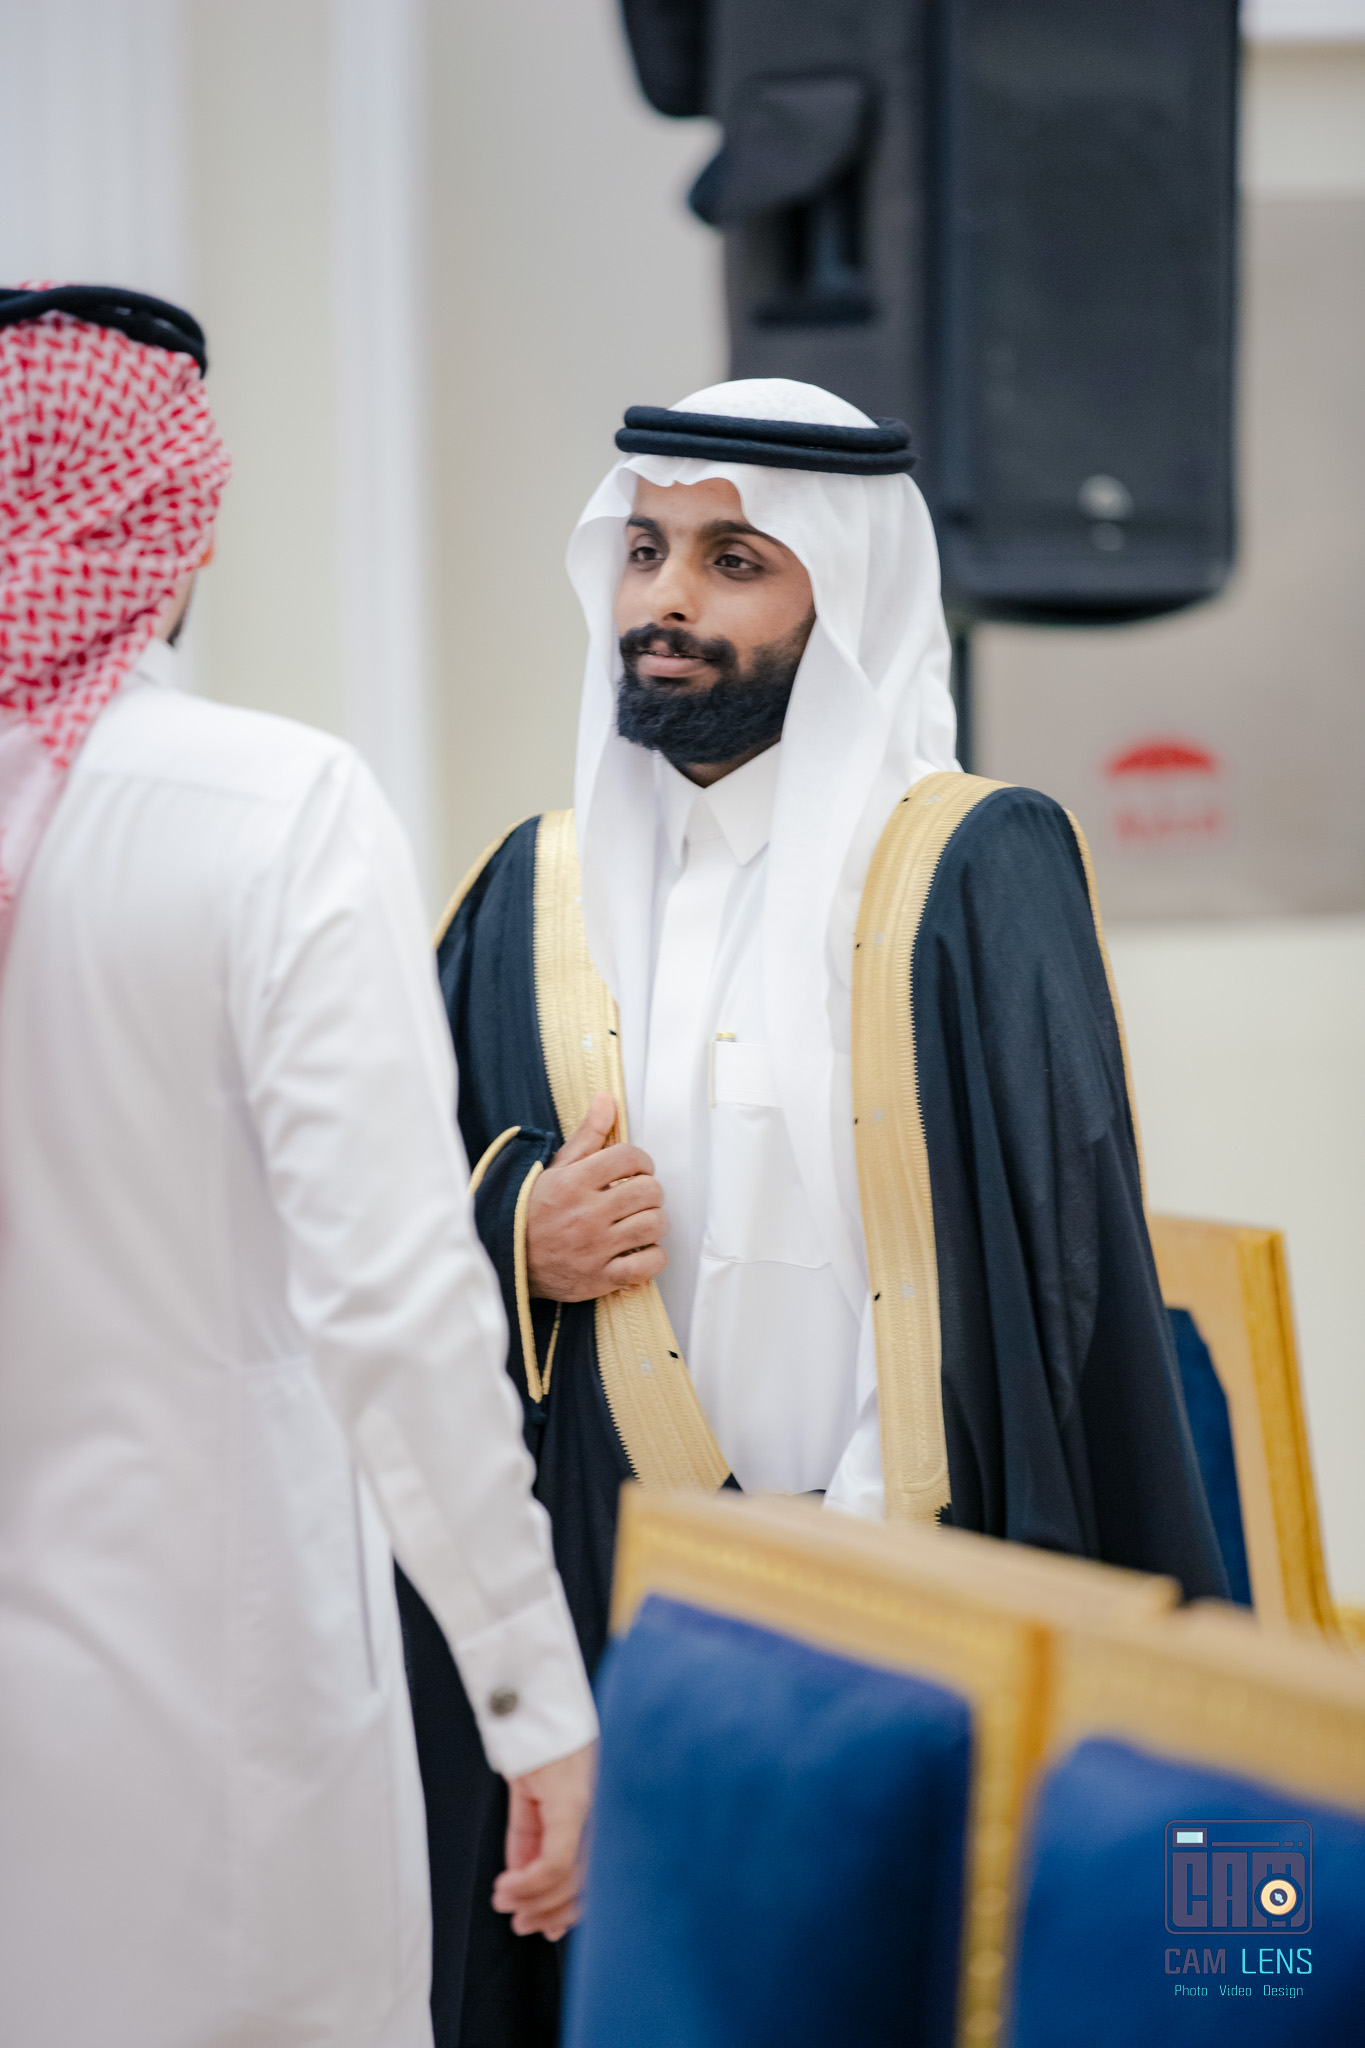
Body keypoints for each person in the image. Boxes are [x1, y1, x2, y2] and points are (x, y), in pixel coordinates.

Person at [399, 375, 1228, 2044]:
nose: (666, 601)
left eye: (732, 561)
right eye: (643, 550)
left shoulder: (970, 868)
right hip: (610, 1614)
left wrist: (846, 1607)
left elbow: (1047, 1281)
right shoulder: (529, 894)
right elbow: (383, 1230)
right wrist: (517, 1237)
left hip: (911, 1606)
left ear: (838, 595)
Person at [0, 285, 597, 2048]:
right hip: (204, 1728)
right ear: (177, 525)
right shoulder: (272, 811)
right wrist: (533, 1696)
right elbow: (392, 1304)